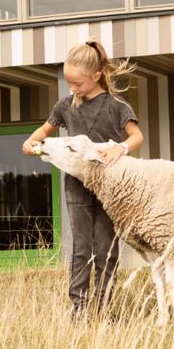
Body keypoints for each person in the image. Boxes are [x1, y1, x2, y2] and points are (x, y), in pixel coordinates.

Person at [22, 39, 144, 319]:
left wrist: (120, 148)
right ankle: (78, 308)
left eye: (78, 83)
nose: (72, 89)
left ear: (97, 76)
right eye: (69, 83)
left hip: (110, 189)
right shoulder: (66, 105)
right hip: (77, 186)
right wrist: (31, 141)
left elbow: (136, 137)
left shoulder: (116, 105)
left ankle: (103, 307)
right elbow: (44, 130)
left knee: (106, 248)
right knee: (82, 248)